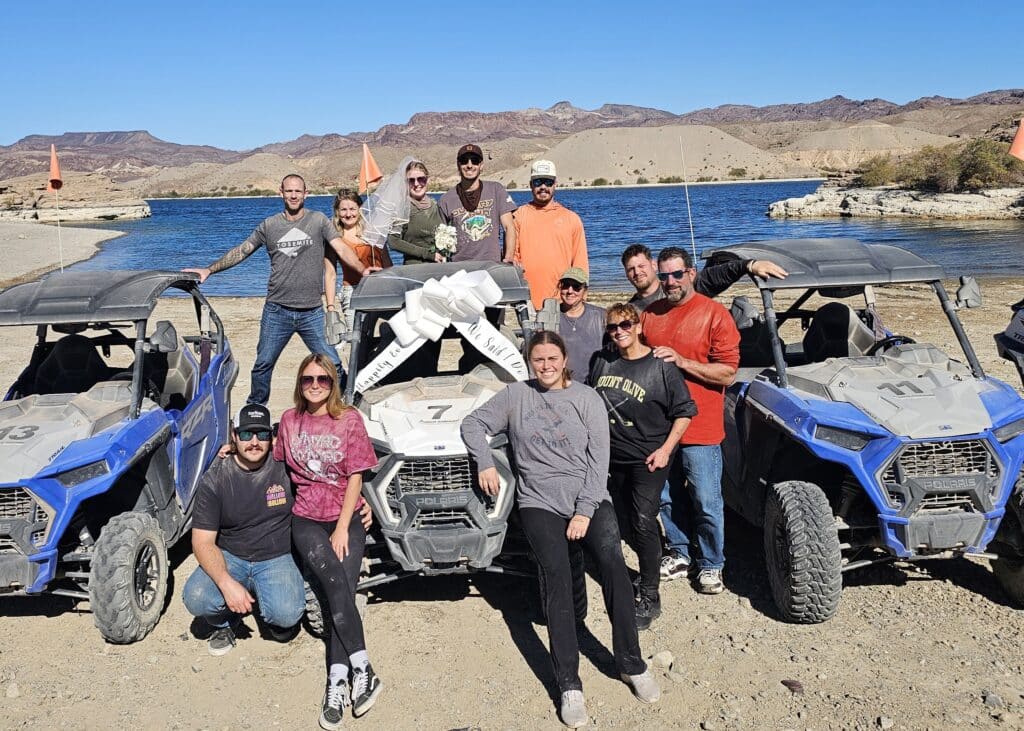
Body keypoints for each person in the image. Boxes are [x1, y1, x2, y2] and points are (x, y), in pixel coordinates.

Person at [461, 331, 659, 729]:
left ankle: (631, 662)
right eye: (539, 360)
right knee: (555, 575)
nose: (546, 366)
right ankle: (569, 683)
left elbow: (598, 461)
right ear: (529, 362)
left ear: (564, 358)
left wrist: (584, 512)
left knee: (613, 565)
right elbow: (472, 423)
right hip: (539, 501)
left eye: (553, 358)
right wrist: (483, 460)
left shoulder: (587, 399)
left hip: (588, 497)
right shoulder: (516, 395)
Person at [183, 174, 372, 405]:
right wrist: (209, 270)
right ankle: (256, 408)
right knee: (263, 364)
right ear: (280, 193)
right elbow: (242, 250)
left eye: (298, 191)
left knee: (333, 364)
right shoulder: (269, 225)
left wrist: (363, 270)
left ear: (306, 193)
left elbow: (341, 249)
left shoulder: (318, 221)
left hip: (311, 311)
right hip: (277, 311)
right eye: (289, 191)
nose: (293, 195)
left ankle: (340, 404)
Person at [274, 354, 381, 729]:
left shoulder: (349, 419)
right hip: (305, 518)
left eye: (322, 379)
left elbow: (356, 474)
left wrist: (343, 524)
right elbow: (275, 462)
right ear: (300, 384)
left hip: (344, 517)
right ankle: (363, 669)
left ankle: (336, 680)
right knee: (335, 583)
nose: (315, 385)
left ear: (333, 383)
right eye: (308, 379)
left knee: (342, 588)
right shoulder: (290, 421)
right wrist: (231, 451)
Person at [640, 247, 740, 595]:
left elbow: (727, 372)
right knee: (666, 496)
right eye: (664, 276)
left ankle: (712, 563)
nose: (670, 282)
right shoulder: (649, 315)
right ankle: (680, 551)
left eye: (677, 274)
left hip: (702, 426)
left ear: (691, 273)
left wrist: (682, 361)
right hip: (659, 427)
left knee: (706, 499)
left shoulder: (714, 315)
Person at [589, 304, 696, 630]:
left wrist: (666, 449)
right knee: (622, 520)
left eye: (625, 325)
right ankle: (640, 573)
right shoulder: (602, 362)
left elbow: (685, 411)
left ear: (637, 326)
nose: (619, 331)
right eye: (612, 327)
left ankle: (650, 593)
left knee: (643, 519)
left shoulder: (661, 366)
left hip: (649, 459)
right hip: (611, 458)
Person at [182, 404, 304, 656]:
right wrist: (226, 583)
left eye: (262, 434)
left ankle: (268, 603)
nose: (255, 442)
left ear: (273, 436)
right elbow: (202, 542)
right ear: (234, 436)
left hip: (276, 556)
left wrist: (361, 500)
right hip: (231, 555)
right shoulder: (215, 478)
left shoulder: (287, 466)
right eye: (246, 434)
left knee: (285, 615)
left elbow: (329, 473)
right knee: (197, 597)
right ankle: (225, 623)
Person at [621, 243, 788, 312]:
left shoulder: (680, 286)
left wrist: (748, 265)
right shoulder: (631, 309)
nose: (637, 273)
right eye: (631, 269)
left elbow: (714, 276)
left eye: (641, 266)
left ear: (653, 265)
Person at [513, 160, 589, 310]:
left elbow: (581, 263)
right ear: (530, 185)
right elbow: (513, 257)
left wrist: (581, 297)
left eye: (548, 182)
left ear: (555, 184)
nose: (543, 187)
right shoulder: (518, 216)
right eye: (538, 182)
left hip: (563, 299)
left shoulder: (571, 218)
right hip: (527, 301)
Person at [325, 188, 393, 331]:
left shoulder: (373, 230)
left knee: (392, 331)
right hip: (352, 291)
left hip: (380, 289)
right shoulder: (334, 237)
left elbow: (387, 262)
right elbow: (330, 274)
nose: (348, 214)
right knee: (357, 340)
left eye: (352, 209)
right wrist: (330, 307)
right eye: (343, 210)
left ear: (360, 209)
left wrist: (392, 285)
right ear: (337, 211)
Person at [438, 143, 517, 263]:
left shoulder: (496, 190)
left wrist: (509, 257)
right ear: (458, 165)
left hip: (492, 265)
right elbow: (442, 239)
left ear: (481, 166)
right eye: (464, 161)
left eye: (474, 161)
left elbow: (509, 226)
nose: (469, 165)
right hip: (459, 269)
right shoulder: (446, 200)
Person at [387, 160, 446, 264]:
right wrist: (428, 254)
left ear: (427, 180)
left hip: (439, 268)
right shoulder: (402, 208)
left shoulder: (436, 206)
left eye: (421, 179)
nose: (416, 183)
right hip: (414, 269)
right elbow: (393, 242)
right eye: (411, 180)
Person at [556, 267, 606, 382]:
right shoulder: (550, 316)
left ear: (585, 291)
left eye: (576, 287)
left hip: (594, 383)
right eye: (565, 285)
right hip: (561, 383)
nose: (570, 291)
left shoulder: (600, 316)